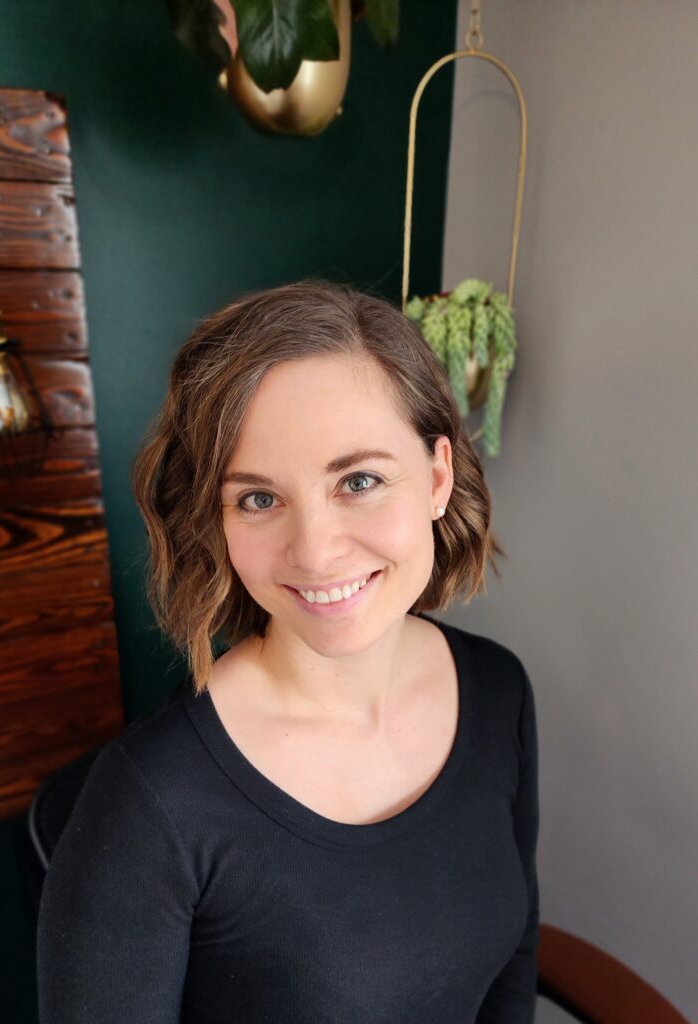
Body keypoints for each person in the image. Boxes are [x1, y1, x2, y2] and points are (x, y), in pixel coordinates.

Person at [36, 279, 540, 1023]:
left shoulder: (498, 690)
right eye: (258, 499)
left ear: (436, 477)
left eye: (359, 480)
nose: (314, 551)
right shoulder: (149, 803)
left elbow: (511, 966)